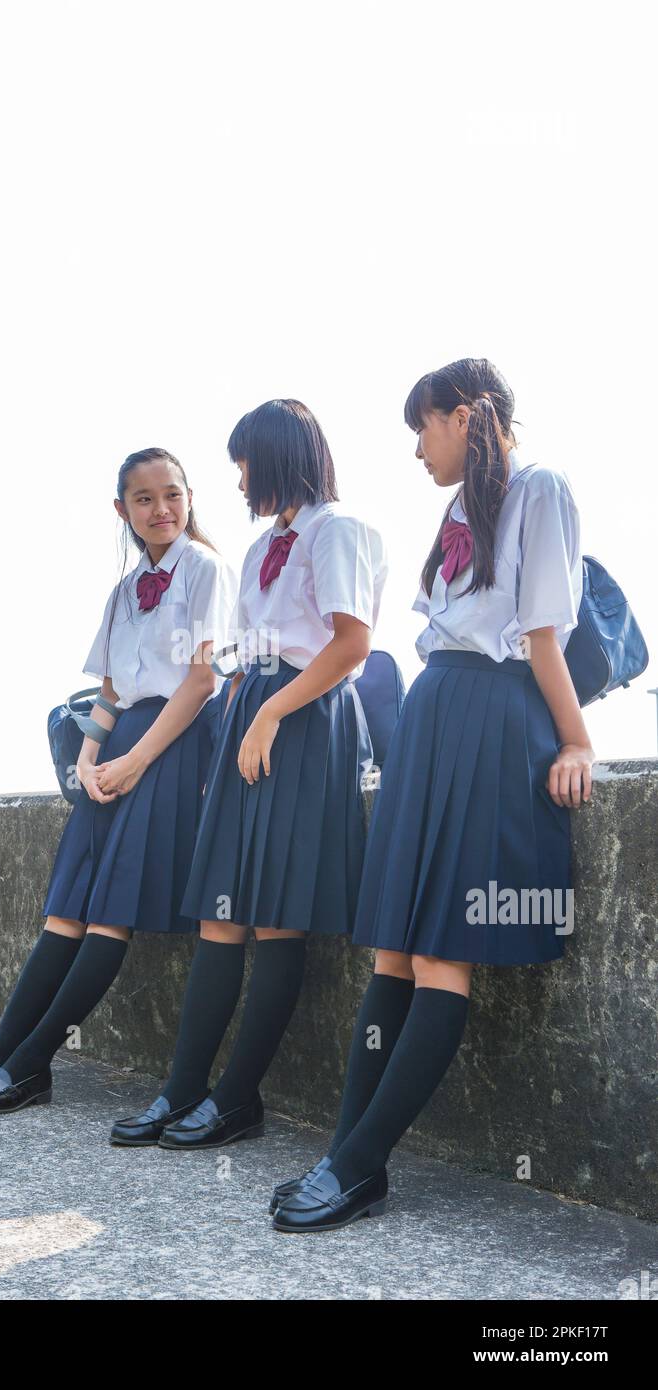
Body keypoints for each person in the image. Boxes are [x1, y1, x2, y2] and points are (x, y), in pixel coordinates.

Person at [271, 357, 595, 1232]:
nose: (417, 447)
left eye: (424, 426)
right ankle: (348, 1153)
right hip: (435, 709)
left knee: (439, 952)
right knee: (392, 946)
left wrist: (575, 739)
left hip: (492, 717)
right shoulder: (462, 503)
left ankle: (357, 1164)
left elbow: (541, 633)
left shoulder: (542, 487)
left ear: (464, 413)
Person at [111, 398, 388, 1149]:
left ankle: (237, 1099)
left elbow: (350, 646)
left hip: (301, 716)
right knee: (220, 915)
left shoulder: (339, 529)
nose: (236, 481)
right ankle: (181, 1089)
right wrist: (242, 718)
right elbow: (245, 653)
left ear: (273, 457)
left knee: (276, 915)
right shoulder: (272, 539)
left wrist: (270, 715)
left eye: (243, 465)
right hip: (253, 712)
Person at [0, 447, 238, 1116]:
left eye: (173, 495)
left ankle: (29, 1065)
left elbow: (201, 682)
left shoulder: (205, 569)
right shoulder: (124, 590)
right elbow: (108, 690)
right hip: (119, 747)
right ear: (121, 508)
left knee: (109, 917)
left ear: (189, 497)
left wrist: (136, 761)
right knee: (64, 912)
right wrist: (89, 758)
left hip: (171, 746)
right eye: (145, 499)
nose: (161, 510)